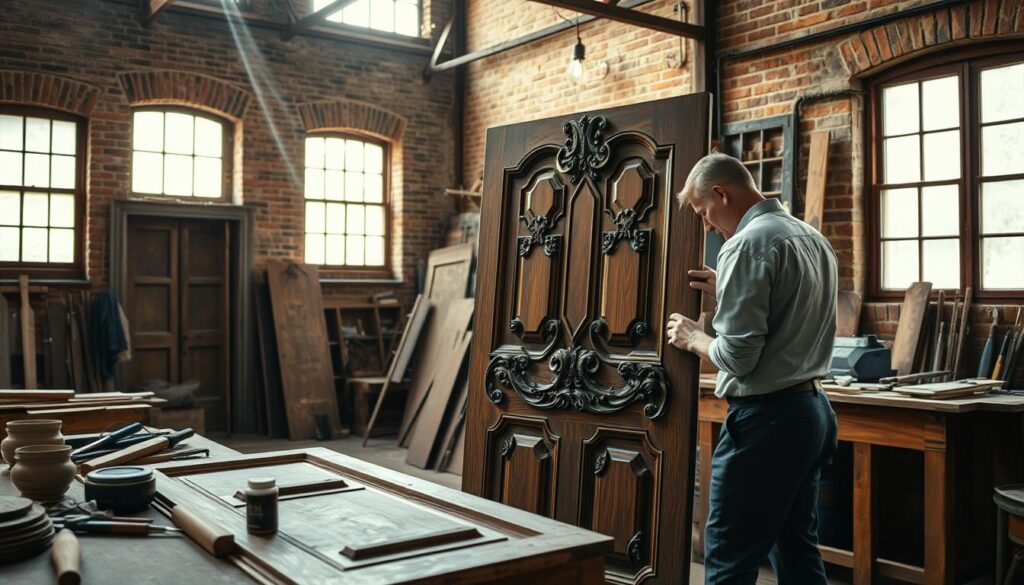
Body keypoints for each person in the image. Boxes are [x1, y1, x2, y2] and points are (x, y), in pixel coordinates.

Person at [666, 152, 839, 584]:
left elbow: (739, 358)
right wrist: (728, 288)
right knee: (797, 550)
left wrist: (694, 338)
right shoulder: (811, 237)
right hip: (812, 412)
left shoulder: (744, 245)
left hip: (767, 422)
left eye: (704, 212)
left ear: (721, 193)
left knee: (727, 557)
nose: (705, 225)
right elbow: (784, 314)